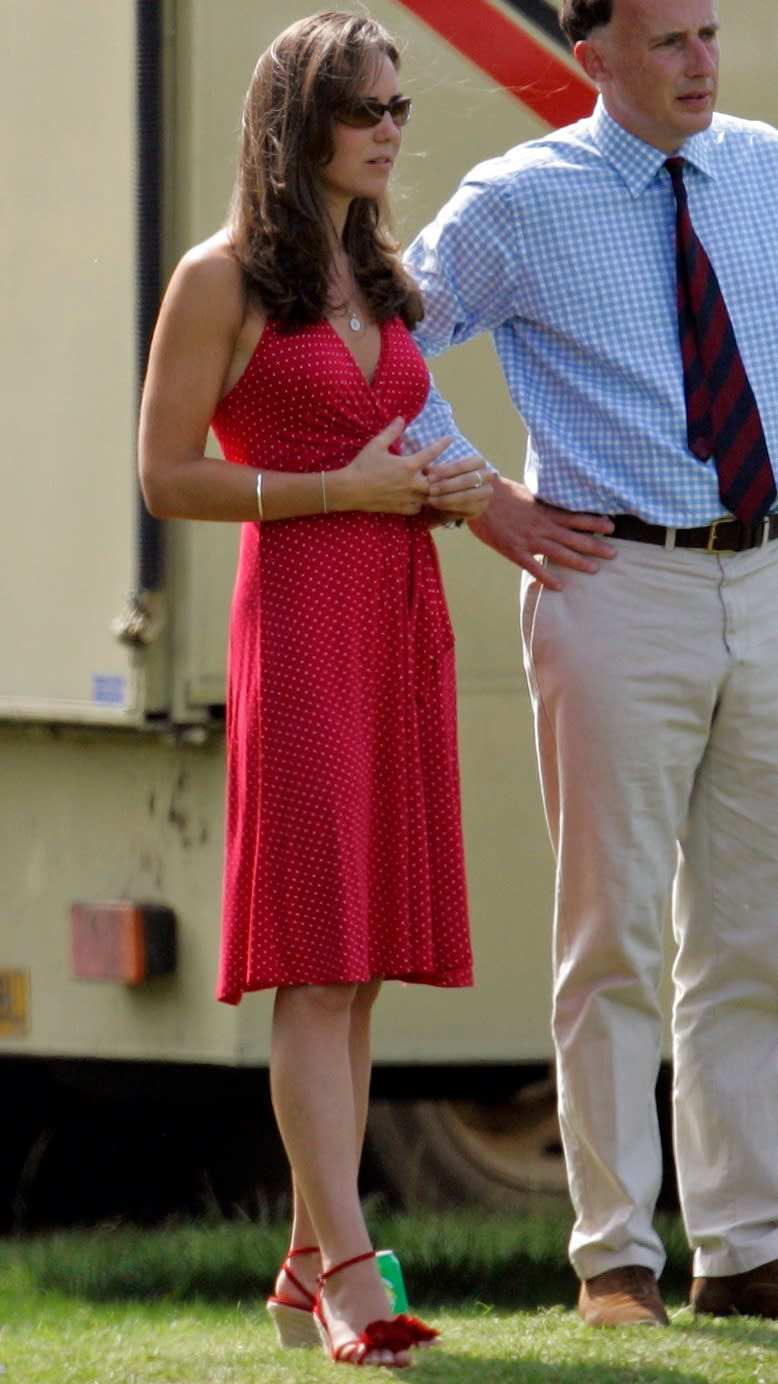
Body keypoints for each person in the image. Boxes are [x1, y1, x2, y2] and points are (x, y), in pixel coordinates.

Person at [404, 0, 778, 1329]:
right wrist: (479, 499)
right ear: (593, 58)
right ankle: (614, 1258)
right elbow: (380, 349)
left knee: (752, 935)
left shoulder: (762, 166)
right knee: (608, 932)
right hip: (610, 583)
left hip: (766, 575)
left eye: (709, 34)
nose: (701, 63)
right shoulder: (516, 198)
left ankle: (744, 1249)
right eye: (669, 40)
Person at [138, 10, 491, 1368]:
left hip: (398, 625)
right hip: (297, 629)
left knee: (363, 965)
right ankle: (349, 1267)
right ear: (297, 126)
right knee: (318, 958)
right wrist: (341, 488)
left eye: (397, 104)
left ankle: (302, 1260)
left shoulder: (382, 282)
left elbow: (401, 435)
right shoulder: (219, 279)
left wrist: (444, 489)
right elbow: (166, 476)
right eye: (362, 107)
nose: (390, 127)